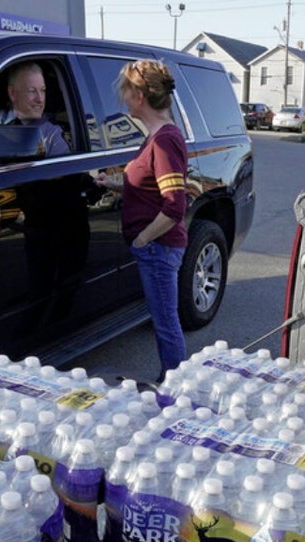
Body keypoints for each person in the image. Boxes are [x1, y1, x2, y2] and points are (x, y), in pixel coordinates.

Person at [94, 59, 188, 381]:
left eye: (125, 90)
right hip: (156, 246)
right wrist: (115, 184)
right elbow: (148, 185)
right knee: (164, 319)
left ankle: (173, 389)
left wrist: (143, 239)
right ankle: (172, 383)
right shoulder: (155, 137)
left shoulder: (163, 140)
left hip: (158, 247)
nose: (122, 98)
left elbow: (174, 205)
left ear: (139, 95)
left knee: (165, 323)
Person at [0, 62, 71, 157]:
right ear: (12, 93)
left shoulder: (52, 133)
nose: (40, 99)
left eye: (43, 90)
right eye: (32, 91)